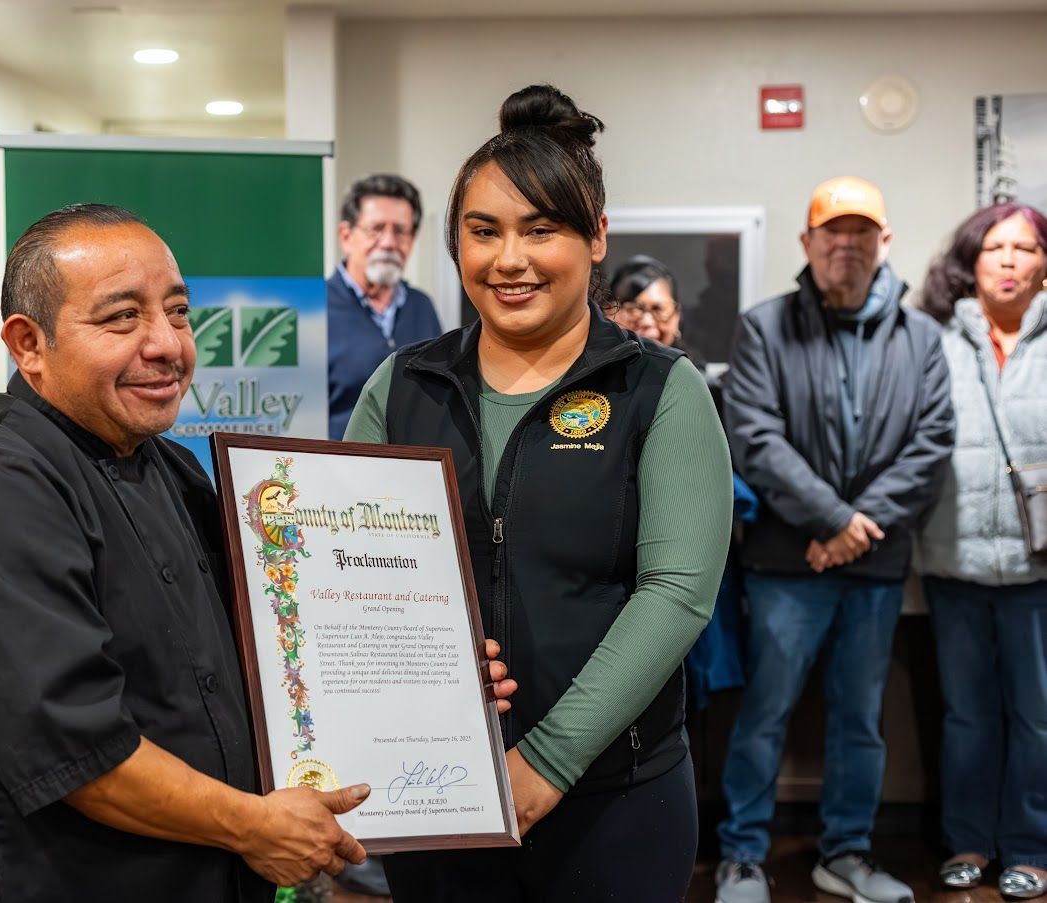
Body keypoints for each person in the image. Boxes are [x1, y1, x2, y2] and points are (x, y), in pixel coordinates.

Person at [0, 203, 515, 902]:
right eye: (121, 317)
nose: (166, 344)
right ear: (27, 343)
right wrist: (253, 825)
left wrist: (425, 682)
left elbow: (277, 648)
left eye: (179, 312)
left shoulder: (168, 467)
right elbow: (76, 750)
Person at [345, 84, 731, 901]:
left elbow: (676, 592)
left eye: (540, 229)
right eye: (482, 232)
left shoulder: (656, 389)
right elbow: (351, 584)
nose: (508, 259)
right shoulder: (403, 386)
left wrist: (546, 758)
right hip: (437, 788)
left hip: (614, 797)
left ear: (595, 238)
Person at [715, 177, 955, 903]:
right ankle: (740, 857)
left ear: (883, 243)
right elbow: (754, 437)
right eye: (831, 232)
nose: (845, 245)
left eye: (861, 233)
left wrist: (852, 532)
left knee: (859, 720)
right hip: (786, 565)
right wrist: (831, 521)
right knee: (765, 714)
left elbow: (931, 442)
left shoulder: (920, 338)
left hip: (873, 568)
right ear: (807, 244)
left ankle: (845, 853)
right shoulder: (763, 327)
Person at [916, 202, 1047, 899]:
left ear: (1043, 263)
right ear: (969, 260)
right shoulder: (933, 339)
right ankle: (967, 839)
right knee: (965, 713)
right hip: (952, 560)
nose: (1006, 259)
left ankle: (1030, 846)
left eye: (1022, 247)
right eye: (993, 246)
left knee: (1037, 715)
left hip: (1037, 568)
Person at [327, 174, 441, 440]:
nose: (389, 242)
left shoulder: (422, 306)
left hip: (410, 470)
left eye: (400, 231)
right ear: (346, 236)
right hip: (335, 471)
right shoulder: (314, 311)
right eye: (376, 229)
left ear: (412, 240)